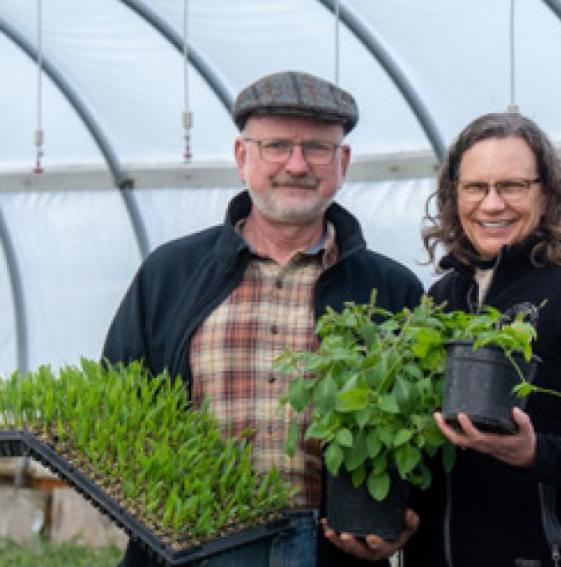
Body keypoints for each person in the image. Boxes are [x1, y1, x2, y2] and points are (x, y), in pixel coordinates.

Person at [103, 70, 423, 567]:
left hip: (330, 549)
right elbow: (115, 405)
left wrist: (398, 520)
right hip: (195, 543)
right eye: (276, 145)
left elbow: (419, 430)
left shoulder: (389, 289)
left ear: (343, 161)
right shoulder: (171, 274)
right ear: (241, 157)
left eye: (317, 148)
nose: (296, 165)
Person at [404, 112, 561, 566]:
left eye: (512, 186)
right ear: (453, 194)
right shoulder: (442, 299)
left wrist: (533, 452)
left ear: (547, 193)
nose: (492, 205)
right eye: (476, 187)